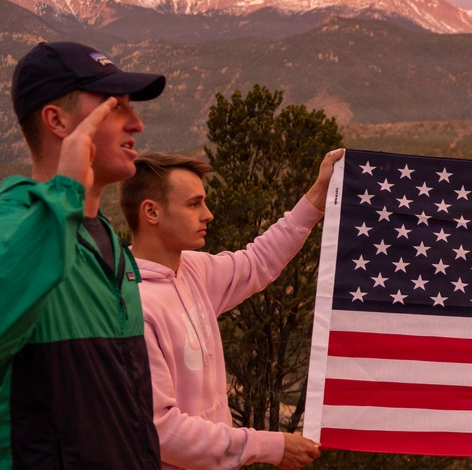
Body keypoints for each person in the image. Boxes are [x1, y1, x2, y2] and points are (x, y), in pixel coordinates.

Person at [0, 41, 166, 468]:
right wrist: (67, 190)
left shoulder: (108, 240)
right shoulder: (9, 220)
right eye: (116, 107)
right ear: (56, 120)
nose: (137, 124)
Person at [118, 150, 342, 469]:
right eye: (194, 204)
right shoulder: (133, 307)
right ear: (151, 212)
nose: (207, 214)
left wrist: (318, 196)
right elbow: (161, 431)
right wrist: (268, 445)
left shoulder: (194, 270)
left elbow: (259, 261)